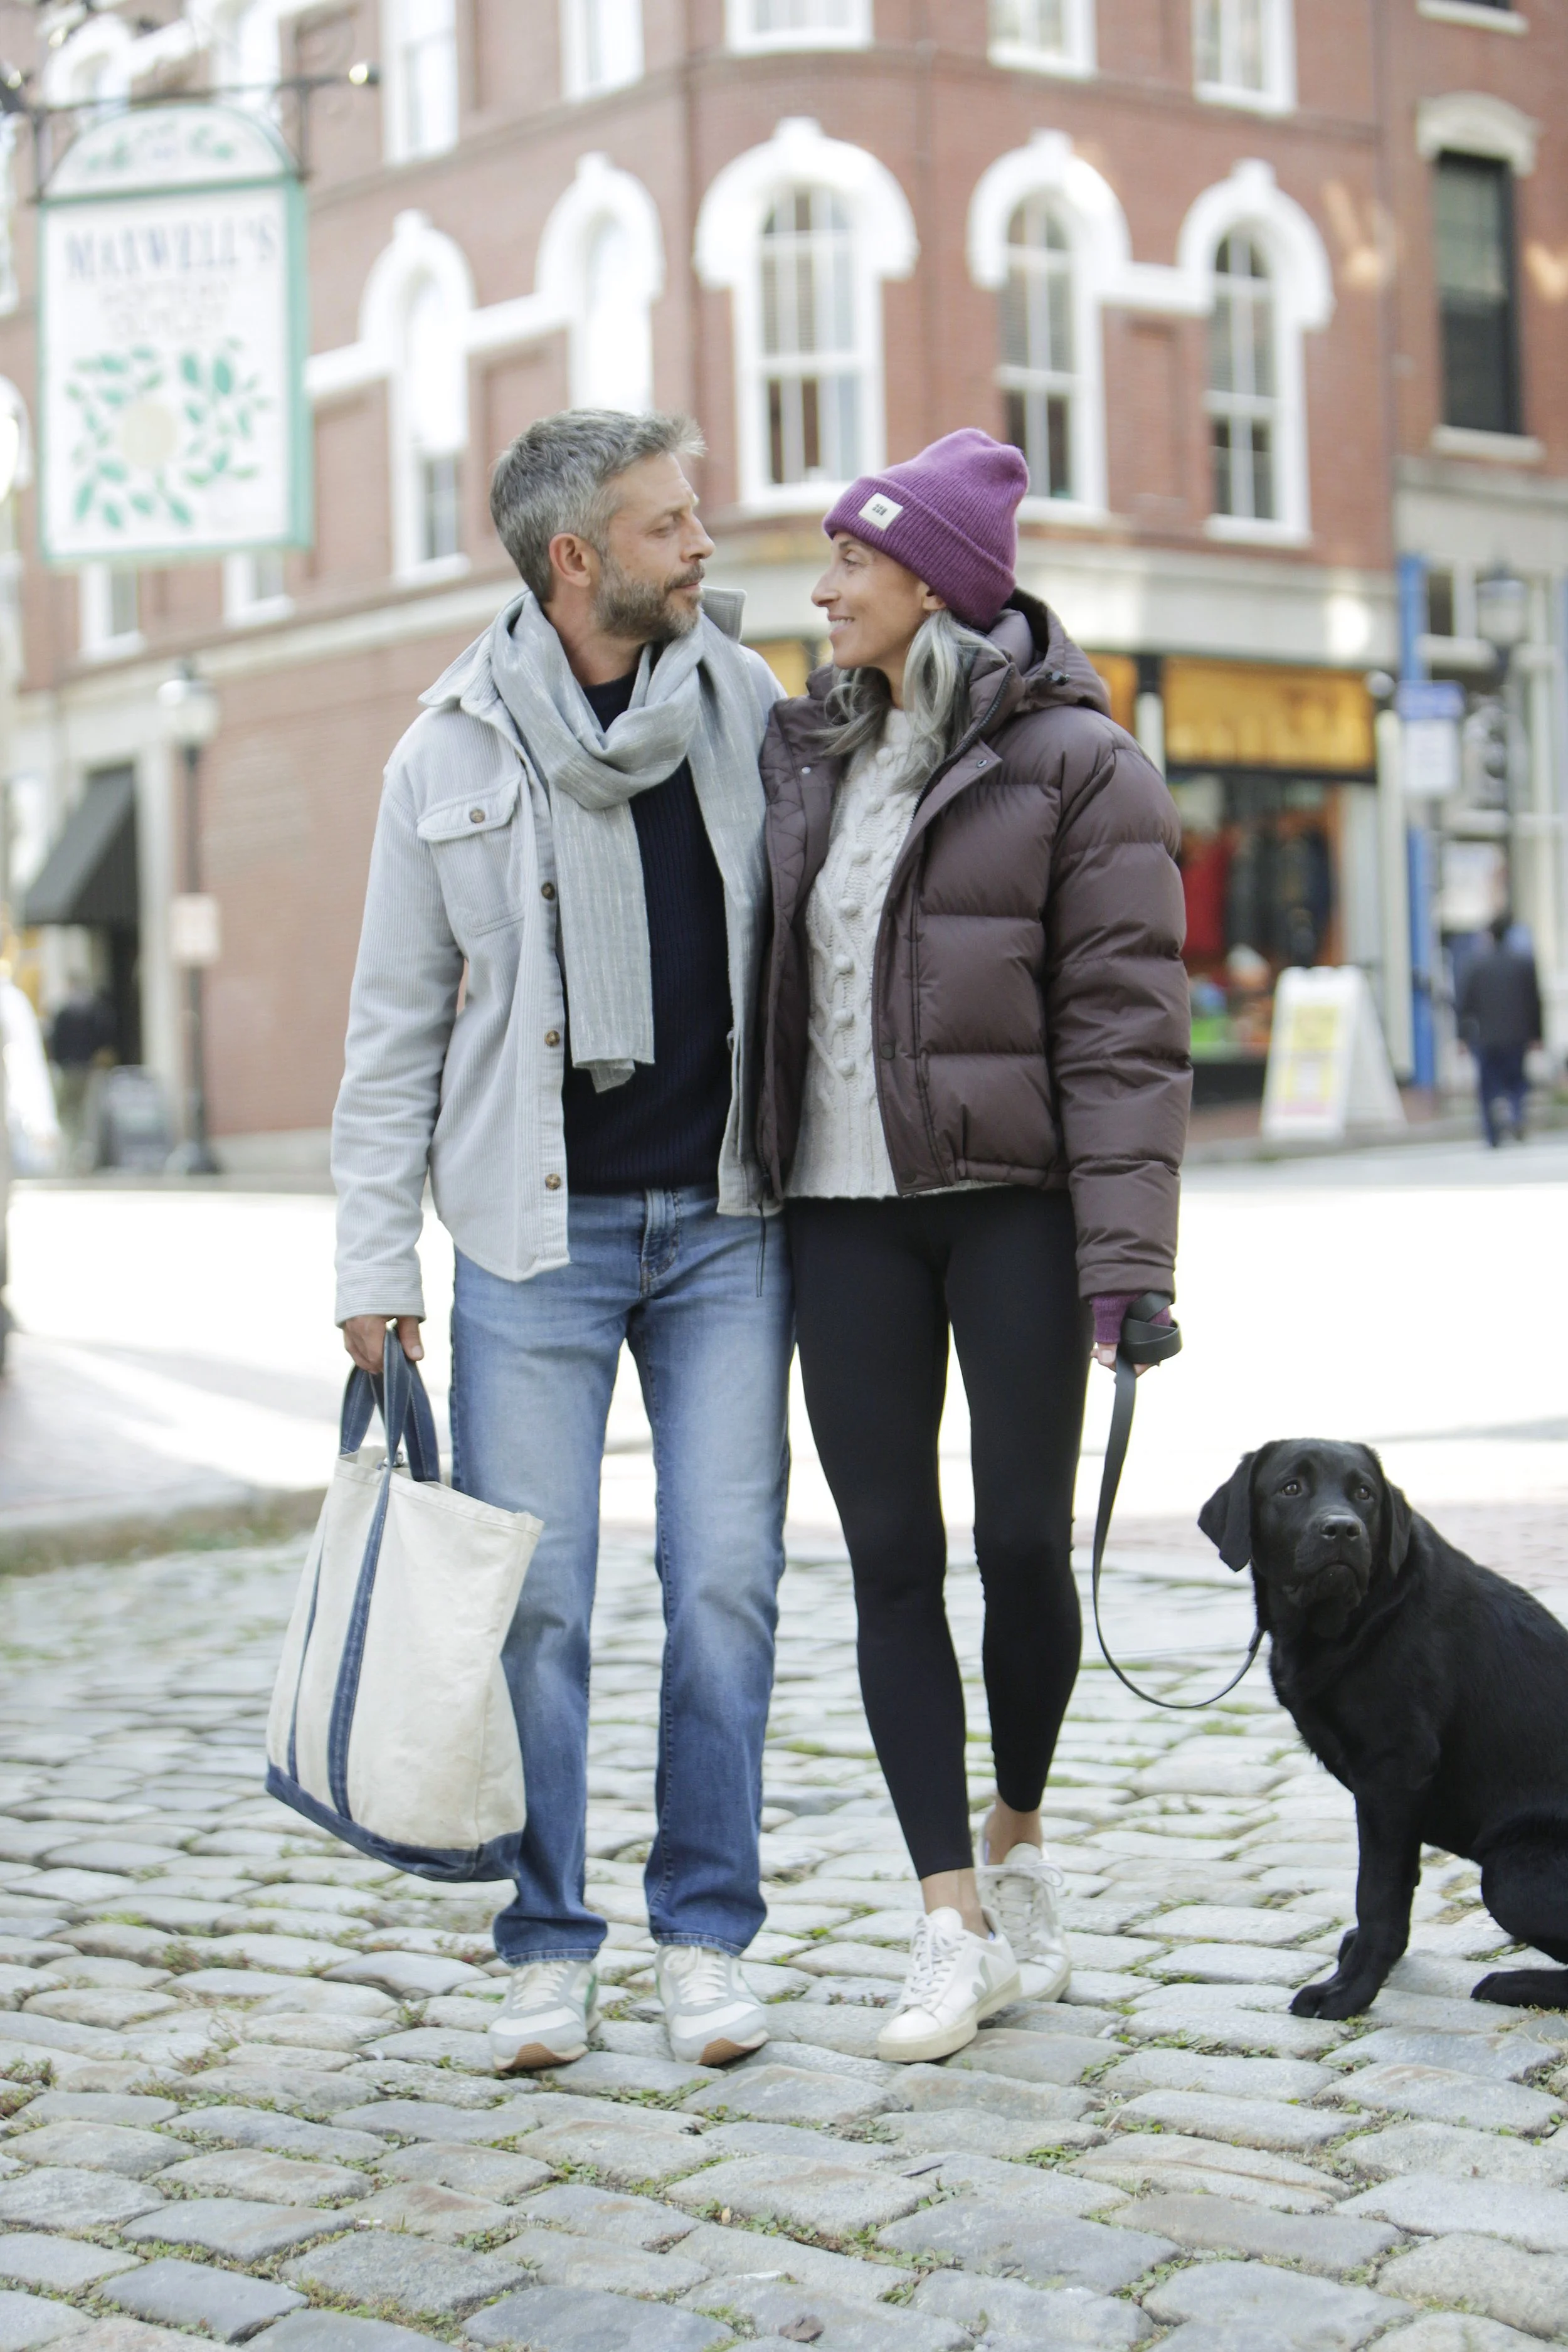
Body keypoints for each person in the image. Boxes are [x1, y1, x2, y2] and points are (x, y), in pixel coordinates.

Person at [332, 410, 792, 2075]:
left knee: (725, 1586)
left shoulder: (747, 703)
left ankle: (704, 1930)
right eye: (671, 524)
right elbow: (390, 1029)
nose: (704, 544)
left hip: (730, 1225)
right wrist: (370, 1269)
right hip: (535, 1238)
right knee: (537, 1604)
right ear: (575, 558)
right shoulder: (442, 753)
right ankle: (546, 1941)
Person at [756, 430, 1190, 2062]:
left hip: (1012, 1205)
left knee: (1018, 1545)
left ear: (929, 581)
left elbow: (1130, 1033)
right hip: (838, 1212)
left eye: (850, 563)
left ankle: (1014, 1831)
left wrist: (1128, 1261)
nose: (820, 589)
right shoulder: (806, 753)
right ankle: (944, 1917)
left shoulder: (1085, 768)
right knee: (886, 1560)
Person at [1458, 911, 1543, 1147]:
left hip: (1485, 1036)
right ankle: (1515, 1116)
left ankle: (1492, 1132)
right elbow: (1534, 1002)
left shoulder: (1475, 964)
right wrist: (1537, 1034)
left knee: (1488, 1085)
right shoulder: (1524, 963)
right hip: (1517, 1035)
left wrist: (1461, 1036)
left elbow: (1465, 1002)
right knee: (1516, 1081)